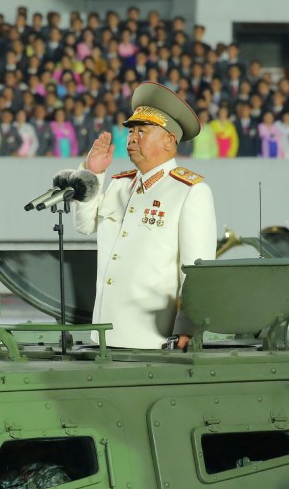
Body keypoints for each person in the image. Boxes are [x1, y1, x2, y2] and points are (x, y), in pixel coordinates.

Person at [74, 81, 216, 350]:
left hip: (152, 337)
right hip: (105, 331)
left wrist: (187, 328)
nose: (132, 138)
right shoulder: (119, 184)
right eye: (131, 131)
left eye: (143, 131)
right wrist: (93, 173)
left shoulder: (190, 192)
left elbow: (197, 272)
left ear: (169, 140)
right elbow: (83, 224)